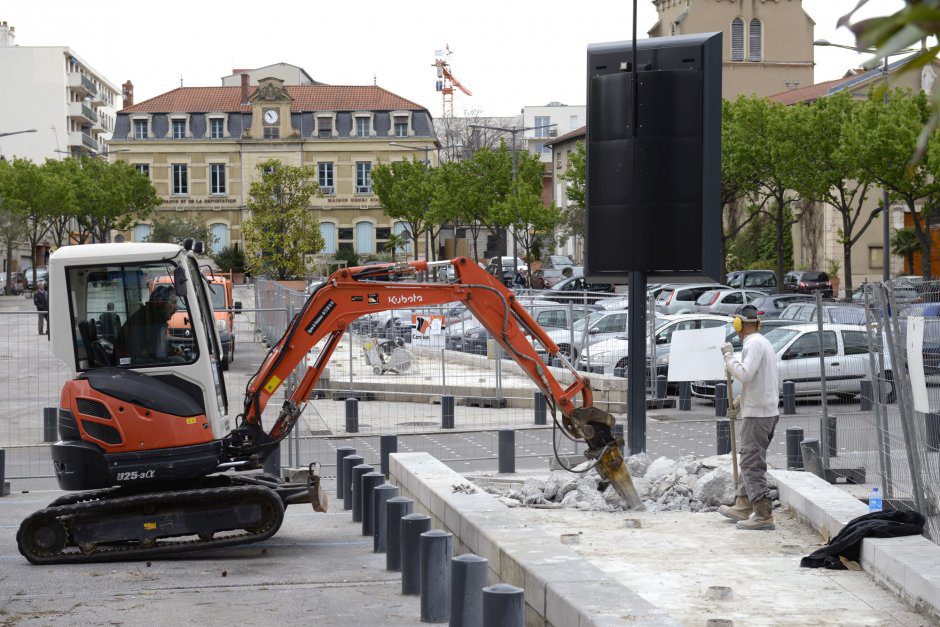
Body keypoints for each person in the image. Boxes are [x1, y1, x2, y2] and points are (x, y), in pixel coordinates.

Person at [718, 304, 779, 531]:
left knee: (751, 463)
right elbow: (759, 380)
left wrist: (728, 357)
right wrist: (741, 399)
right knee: (748, 459)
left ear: (738, 324)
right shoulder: (763, 342)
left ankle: (763, 514)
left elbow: (744, 373)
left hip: (758, 414)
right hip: (764, 410)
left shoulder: (753, 344)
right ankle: (743, 504)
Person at [115, 284, 181, 364]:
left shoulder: (155, 318)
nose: (177, 307)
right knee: (180, 360)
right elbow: (153, 354)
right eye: (173, 302)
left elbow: (159, 345)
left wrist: (173, 350)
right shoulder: (148, 321)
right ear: (159, 303)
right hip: (131, 365)